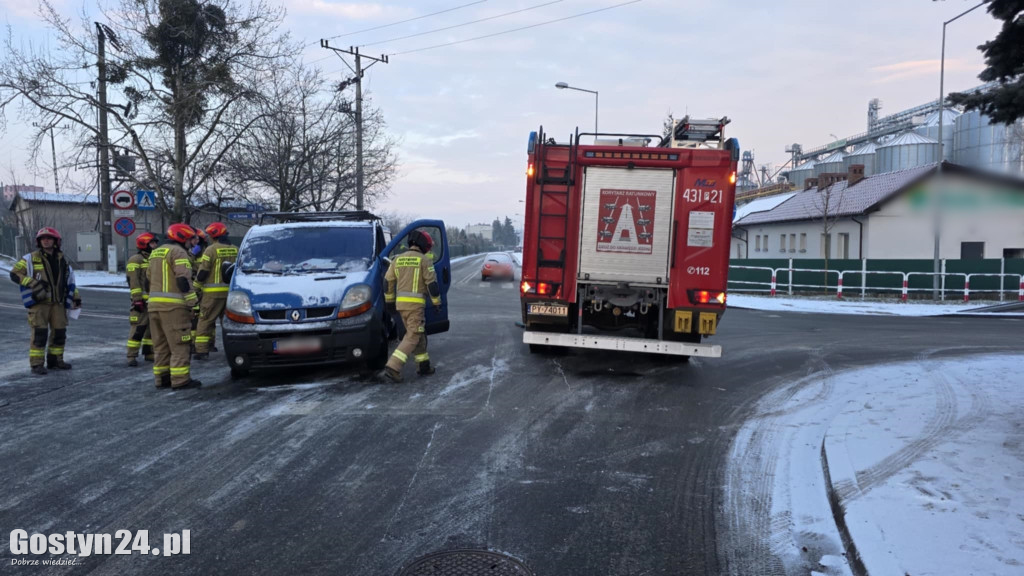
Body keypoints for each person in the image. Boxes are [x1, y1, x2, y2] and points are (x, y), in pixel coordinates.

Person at [8, 227, 80, 375]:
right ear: (39, 242)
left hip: (58, 304)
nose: (46, 241)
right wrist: (33, 283)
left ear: (55, 241)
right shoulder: (30, 258)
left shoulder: (62, 260)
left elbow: (69, 280)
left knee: (60, 333)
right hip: (39, 304)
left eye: (49, 238)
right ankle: (37, 364)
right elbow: (15, 274)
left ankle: (55, 361)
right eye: (43, 239)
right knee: (40, 334)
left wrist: (76, 297)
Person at [147, 223, 202, 389]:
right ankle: (180, 380)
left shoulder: (155, 252)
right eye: (189, 239)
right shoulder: (179, 253)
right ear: (182, 237)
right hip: (174, 308)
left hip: (154, 306)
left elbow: (149, 277)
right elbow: (183, 279)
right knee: (180, 344)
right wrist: (193, 303)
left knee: (161, 345)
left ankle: (162, 379)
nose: (190, 243)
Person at [383, 230, 442, 383]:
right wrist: (437, 303)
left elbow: (387, 282)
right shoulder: (424, 261)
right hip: (415, 307)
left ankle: (423, 365)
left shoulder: (397, 259)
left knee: (418, 335)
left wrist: (389, 302)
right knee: (413, 336)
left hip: (401, 306)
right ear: (424, 245)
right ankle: (393, 366)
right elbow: (432, 285)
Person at [192, 222, 237, 360]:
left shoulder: (210, 250)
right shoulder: (236, 249)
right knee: (230, 324)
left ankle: (201, 351)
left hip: (212, 294)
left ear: (213, 236)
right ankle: (234, 349)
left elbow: (203, 271)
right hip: (231, 294)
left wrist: (196, 288)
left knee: (205, 320)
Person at [126, 232, 158, 366]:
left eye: (155, 243)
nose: (155, 245)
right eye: (152, 243)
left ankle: (149, 353)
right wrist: (137, 299)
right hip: (141, 302)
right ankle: (131, 355)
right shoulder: (136, 259)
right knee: (138, 328)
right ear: (144, 244)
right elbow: (133, 281)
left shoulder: (153, 258)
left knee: (151, 329)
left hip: (152, 301)